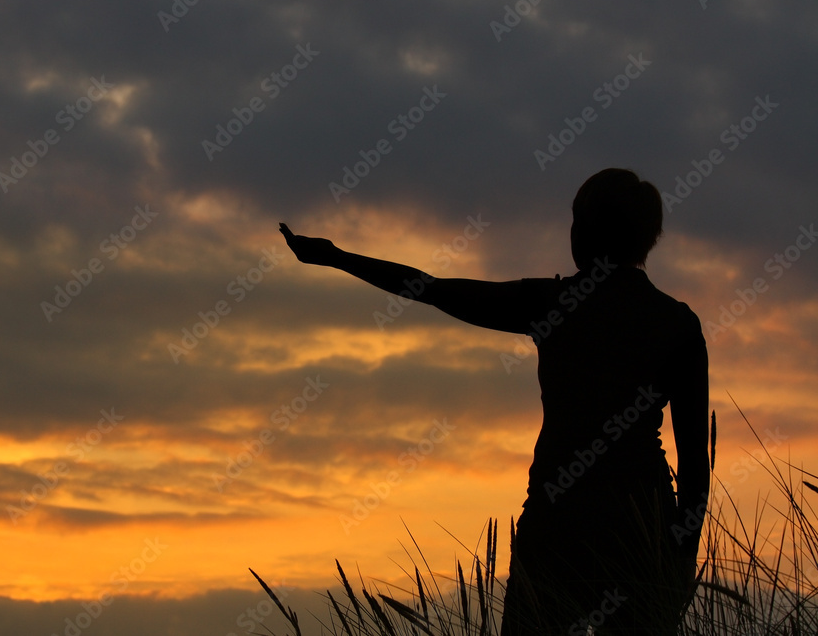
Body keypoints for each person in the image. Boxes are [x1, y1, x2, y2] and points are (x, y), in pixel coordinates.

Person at [279, 168, 709, 634]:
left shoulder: (554, 302)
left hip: (556, 524)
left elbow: (432, 289)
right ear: (647, 238)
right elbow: (694, 462)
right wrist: (681, 559)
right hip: (641, 531)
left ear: (586, 231)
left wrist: (340, 258)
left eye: (574, 221)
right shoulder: (678, 323)